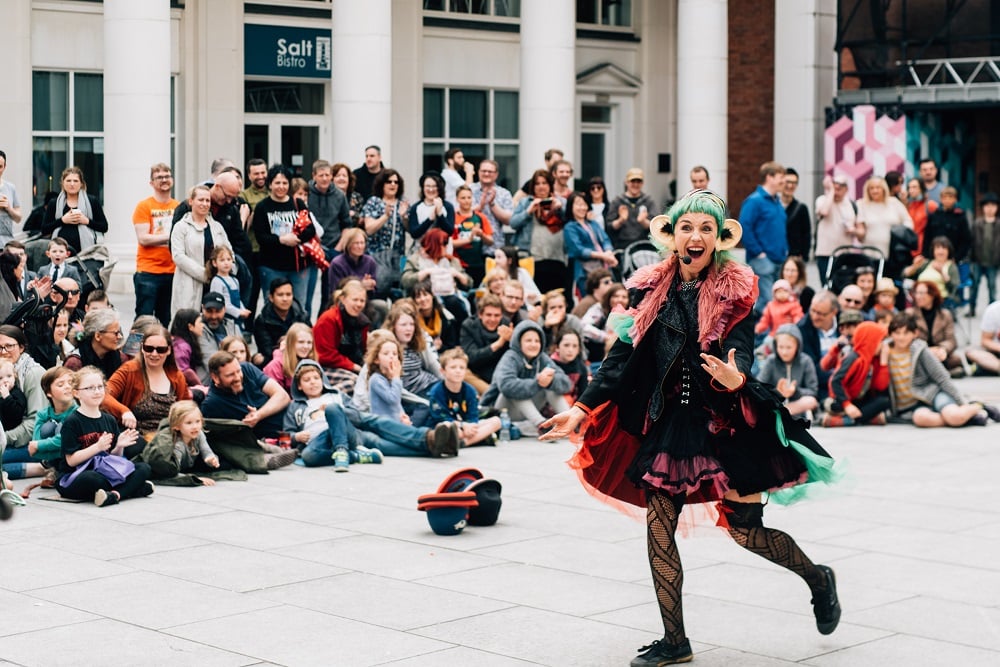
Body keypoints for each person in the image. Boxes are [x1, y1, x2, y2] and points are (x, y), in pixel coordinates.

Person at [538, 190, 841, 665]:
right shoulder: (647, 290)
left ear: (718, 239)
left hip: (726, 421)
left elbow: (741, 346)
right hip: (669, 424)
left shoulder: (733, 290)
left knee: (745, 531)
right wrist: (581, 409)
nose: (695, 236)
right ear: (673, 236)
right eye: (687, 228)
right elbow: (619, 360)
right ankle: (674, 640)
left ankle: (818, 578)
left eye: (705, 228)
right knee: (659, 525)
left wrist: (733, 376)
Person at [56, 366, 152, 507]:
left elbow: (114, 457)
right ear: (76, 393)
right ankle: (132, 490)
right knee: (94, 479)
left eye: (100, 387)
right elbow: (71, 461)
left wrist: (119, 445)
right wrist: (97, 447)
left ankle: (114, 495)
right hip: (75, 476)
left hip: (105, 471)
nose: (97, 392)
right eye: (90, 388)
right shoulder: (73, 421)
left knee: (144, 468)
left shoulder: (109, 419)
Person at [883, 313, 998, 428]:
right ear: (890, 333)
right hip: (916, 405)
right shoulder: (885, 350)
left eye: (906, 333)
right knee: (921, 419)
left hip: (933, 394)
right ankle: (967, 418)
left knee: (954, 416)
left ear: (915, 333)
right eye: (897, 333)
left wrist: (961, 402)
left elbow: (941, 377)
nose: (901, 337)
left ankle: (978, 406)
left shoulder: (920, 350)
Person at [283, 360, 383, 470]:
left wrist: (337, 411)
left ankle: (341, 452)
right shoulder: (294, 406)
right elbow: (286, 433)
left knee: (332, 408)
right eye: (307, 380)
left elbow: (356, 415)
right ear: (299, 386)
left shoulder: (336, 395)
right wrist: (296, 437)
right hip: (319, 442)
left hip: (345, 433)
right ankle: (355, 456)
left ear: (322, 380)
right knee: (308, 456)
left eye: (316, 378)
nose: (313, 382)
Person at [102, 325, 191, 442]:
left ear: (169, 350)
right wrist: (124, 411)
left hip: (169, 438)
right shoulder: (129, 370)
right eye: (149, 348)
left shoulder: (177, 376)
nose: (154, 354)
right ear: (142, 348)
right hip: (137, 437)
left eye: (160, 350)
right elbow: (103, 395)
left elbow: (187, 409)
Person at [483, 319, 570, 435]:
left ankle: (570, 422)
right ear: (519, 342)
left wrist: (550, 381)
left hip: (528, 410)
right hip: (502, 410)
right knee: (515, 388)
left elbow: (566, 383)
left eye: (537, 341)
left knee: (550, 382)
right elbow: (506, 385)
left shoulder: (542, 358)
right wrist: (537, 383)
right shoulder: (510, 357)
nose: (533, 344)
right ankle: (542, 425)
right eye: (528, 340)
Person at [252, 164, 315, 310]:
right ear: (270, 184)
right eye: (277, 183)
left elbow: (310, 229)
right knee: (272, 306)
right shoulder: (262, 206)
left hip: (298, 266)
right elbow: (260, 236)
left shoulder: (297, 204)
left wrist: (296, 238)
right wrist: (281, 240)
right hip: (271, 266)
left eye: (285, 183)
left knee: (299, 305)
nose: (281, 186)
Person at [5, 367, 77, 482]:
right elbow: (35, 442)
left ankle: (54, 470)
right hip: (45, 458)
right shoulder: (43, 414)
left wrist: (39, 446)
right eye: (60, 384)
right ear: (49, 393)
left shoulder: (77, 413)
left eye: (70, 383)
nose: (67, 387)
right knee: (48, 427)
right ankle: (48, 469)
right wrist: (39, 446)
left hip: (72, 458)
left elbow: (63, 440)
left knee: (60, 428)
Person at [171, 184, 232, 313]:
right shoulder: (181, 227)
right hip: (189, 283)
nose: (205, 204)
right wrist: (205, 274)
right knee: (189, 322)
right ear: (191, 201)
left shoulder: (217, 227)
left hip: (216, 283)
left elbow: (228, 250)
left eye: (207, 200)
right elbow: (178, 256)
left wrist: (224, 270)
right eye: (201, 200)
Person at [132, 162, 179, 326]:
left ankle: (162, 350)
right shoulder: (144, 206)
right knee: (143, 318)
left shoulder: (178, 207)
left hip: (172, 270)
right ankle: (132, 350)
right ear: (151, 183)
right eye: (159, 177)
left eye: (167, 176)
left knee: (166, 318)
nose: (164, 180)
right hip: (148, 272)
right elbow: (143, 238)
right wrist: (172, 236)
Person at [739, 161, 788, 315]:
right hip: (763, 262)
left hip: (778, 260)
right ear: (769, 177)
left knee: (775, 303)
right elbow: (744, 227)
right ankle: (760, 338)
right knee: (767, 304)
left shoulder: (776, 202)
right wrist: (759, 253)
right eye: (781, 177)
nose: (784, 181)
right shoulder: (754, 201)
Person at [428, 348, 502, 446]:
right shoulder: (437, 391)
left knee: (496, 421)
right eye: (453, 367)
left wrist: (470, 426)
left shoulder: (470, 390)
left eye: (462, 368)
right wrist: (462, 425)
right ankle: (479, 438)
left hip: (467, 427)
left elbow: (473, 416)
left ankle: (464, 443)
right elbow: (440, 417)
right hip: (448, 425)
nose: (458, 371)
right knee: (450, 429)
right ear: (443, 371)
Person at [509, 169, 567, 295]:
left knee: (557, 297)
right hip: (533, 259)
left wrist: (560, 209)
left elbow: (571, 222)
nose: (541, 187)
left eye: (544, 183)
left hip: (558, 258)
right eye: (537, 183)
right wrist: (528, 211)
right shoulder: (526, 202)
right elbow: (513, 223)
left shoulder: (561, 201)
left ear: (550, 185)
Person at [823, 320, 890, 427]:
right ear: (870, 341)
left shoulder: (873, 359)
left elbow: (880, 386)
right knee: (835, 406)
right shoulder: (853, 358)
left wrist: (883, 362)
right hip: (841, 400)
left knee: (884, 401)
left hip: (857, 400)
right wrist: (847, 405)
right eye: (880, 341)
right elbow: (835, 381)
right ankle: (847, 420)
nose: (882, 345)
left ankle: (852, 418)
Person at [400, 228, 471, 324]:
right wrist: (424, 273)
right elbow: (405, 282)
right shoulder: (416, 260)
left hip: (449, 296)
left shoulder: (451, 261)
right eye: (444, 243)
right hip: (425, 297)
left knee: (455, 303)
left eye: (447, 243)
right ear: (434, 244)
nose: (446, 247)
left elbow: (469, 283)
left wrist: (457, 275)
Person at [309, 159, 354, 313]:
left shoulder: (339, 196)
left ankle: (325, 318)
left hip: (334, 246)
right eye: (321, 175)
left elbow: (347, 224)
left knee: (329, 292)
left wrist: (338, 248)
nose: (325, 179)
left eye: (328, 175)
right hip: (312, 247)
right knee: (309, 291)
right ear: (314, 176)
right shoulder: (307, 194)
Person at [313, 278, 370, 392]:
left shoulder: (363, 322)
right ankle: (327, 398)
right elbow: (325, 355)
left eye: (362, 301)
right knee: (356, 381)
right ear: (343, 299)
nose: (359, 304)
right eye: (355, 300)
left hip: (350, 365)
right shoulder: (329, 319)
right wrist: (354, 367)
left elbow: (363, 350)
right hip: (325, 367)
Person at [361, 169, 408, 298]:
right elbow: (369, 229)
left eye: (396, 182)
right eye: (389, 181)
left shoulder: (403, 203)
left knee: (398, 293)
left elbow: (410, 230)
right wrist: (385, 216)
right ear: (382, 184)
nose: (393, 185)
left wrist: (404, 217)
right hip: (378, 254)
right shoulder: (374, 202)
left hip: (398, 256)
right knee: (379, 290)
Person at [41, 166, 109, 254]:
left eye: (75, 181)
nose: (72, 184)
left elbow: (104, 226)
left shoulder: (92, 201)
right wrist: (62, 220)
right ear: (63, 183)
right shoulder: (54, 203)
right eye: (68, 181)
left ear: (81, 183)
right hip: (60, 255)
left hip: (86, 254)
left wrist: (87, 221)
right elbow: (44, 229)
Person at [757, 324, 819, 418]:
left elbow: (813, 391)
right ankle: (780, 413)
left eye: (789, 347)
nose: (784, 352)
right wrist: (776, 392)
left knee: (811, 401)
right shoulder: (771, 361)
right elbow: (758, 387)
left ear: (797, 346)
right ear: (775, 346)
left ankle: (781, 413)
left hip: (796, 404)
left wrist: (795, 391)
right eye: (781, 347)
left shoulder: (806, 361)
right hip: (775, 402)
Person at [564, 191, 618, 298]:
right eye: (578, 204)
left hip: (603, 267)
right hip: (584, 271)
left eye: (584, 204)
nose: (582, 207)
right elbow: (578, 250)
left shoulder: (593, 223)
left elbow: (605, 240)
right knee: (590, 299)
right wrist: (603, 256)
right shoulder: (570, 227)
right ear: (571, 207)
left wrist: (608, 253)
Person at [905, 280, 963, 375]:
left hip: (939, 353)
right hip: (919, 352)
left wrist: (942, 349)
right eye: (916, 293)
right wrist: (927, 351)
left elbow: (951, 340)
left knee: (956, 360)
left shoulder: (945, 315)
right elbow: (907, 340)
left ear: (932, 295)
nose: (918, 296)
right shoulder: (910, 314)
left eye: (922, 293)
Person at [252, 278, 311, 367]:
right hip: (275, 361)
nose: (285, 299)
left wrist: (289, 340)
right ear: (271, 298)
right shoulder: (262, 321)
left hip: (302, 359)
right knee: (260, 360)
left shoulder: (302, 316)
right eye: (280, 295)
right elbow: (267, 351)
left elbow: (312, 342)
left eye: (288, 294)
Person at [815, 174, 861, 285]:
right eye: (835, 186)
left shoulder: (852, 205)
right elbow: (824, 211)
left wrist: (853, 230)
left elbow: (861, 233)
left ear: (846, 189)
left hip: (845, 254)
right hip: (825, 254)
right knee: (827, 286)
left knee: (844, 286)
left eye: (840, 187)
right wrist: (830, 191)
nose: (837, 190)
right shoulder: (823, 200)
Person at [856, 176, 913, 260]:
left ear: (884, 189)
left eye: (878, 187)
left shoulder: (894, 202)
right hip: (870, 253)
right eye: (871, 188)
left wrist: (900, 235)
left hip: (893, 253)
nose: (875, 191)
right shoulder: (861, 204)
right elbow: (860, 227)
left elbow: (908, 222)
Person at [63, 309, 125, 379]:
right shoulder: (75, 363)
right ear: (98, 336)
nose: (120, 337)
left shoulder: (120, 358)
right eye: (115, 333)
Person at [607, 167, 657, 251]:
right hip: (622, 246)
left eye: (639, 181)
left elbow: (655, 226)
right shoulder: (617, 201)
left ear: (642, 183)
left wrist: (643, 221)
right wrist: (621, 220)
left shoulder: (649, 201)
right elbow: (609, 226)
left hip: (644, 246)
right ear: (626, 182)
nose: (636, 184)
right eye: (633, 181)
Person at [452, 184, 492, 286]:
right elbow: (449, 243)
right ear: (457, 199)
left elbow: (491, 241)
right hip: (459, 265)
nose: (466, 200)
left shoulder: (480, 217)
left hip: (478, 264)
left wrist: (481, 234)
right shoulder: (452, 218)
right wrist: (469, 239)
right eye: (463, 198)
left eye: (469, 197)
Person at [470, 159, 514, 251]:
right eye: (484, 171)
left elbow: (509, 220)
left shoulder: (504, 193)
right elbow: (461, 213)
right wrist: (480, 206)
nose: (486, 174)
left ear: (496, 174)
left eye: (490, 171)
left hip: (494, 246)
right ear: (478, 172)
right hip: (470, 245)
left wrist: (492, 204)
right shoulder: (469, 190)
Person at [968, 192, 1000, 317]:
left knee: (992, 287)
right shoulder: (977, 223)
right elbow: (971, 242)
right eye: (987, 206)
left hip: (993, 261)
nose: (990, 209)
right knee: (974, 286)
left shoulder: (998, 224)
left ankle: (992, 313)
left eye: (993, 205)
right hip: (978, 261)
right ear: (983, 208)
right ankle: (972, 309)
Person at [904, 238, 961, 305]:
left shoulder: (951, 267)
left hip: (941, 301)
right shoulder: (926, 263)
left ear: (948, 251)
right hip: (920, 298)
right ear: (933, 251)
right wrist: (914, 266)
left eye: (944, 248)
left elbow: (955, 287)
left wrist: (942, 274)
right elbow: (905, 275)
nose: (940, 251)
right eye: (937, 248)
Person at [263, 322, 316, 392]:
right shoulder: (274, 366)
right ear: (290, 343)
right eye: (301, 342)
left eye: (309, 342)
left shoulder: (310, 361)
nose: (306, 346)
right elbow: (275, 396)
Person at [207, 246, 250, 331]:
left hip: (237, 319)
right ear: (215, 263)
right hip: (225, 320)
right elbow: (222, 304)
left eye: (228, 259)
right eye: (222, 260)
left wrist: (243, 309)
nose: (226, 263)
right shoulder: (217, 281)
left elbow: (238, 299)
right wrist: (238, 312)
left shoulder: (235, 280)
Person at [923, 187, 970, 262]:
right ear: (941, 199)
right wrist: (927, 256)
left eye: (950, 197)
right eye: (945, 197)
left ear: (955, 199)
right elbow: (927, 238)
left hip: (953, 258)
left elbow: (965, 240)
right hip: (934, 258)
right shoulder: (934, 216)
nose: (947, 200)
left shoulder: (960, 217)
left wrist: (956, 258)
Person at [412, 280, 460, 352]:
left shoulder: (446, 317)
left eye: (425, 294)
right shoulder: (412, 320)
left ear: (432, 295)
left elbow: (452, 346)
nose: (422, 299)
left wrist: (441, 347)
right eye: (418, 296)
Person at [550, 329, 589, 405]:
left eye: (575, 346)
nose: (570, 350)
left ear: (578, 350)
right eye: (566, 345)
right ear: (557, 347)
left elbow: (583, 394)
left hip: (571, 407)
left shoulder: (581, 367)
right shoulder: (550, 364)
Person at [781, 167, 812, 260]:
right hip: (774, 257)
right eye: (788, 182)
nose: (790, 186)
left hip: (794, 258)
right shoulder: (772, 206)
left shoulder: (802, 208)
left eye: (794, 183)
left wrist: (803, 256)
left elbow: (806, 235)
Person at [169, 310, 205, 388]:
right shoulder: (182, 347)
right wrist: (201, 387)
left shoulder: (183, 343)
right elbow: (184, 371)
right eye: (200, 322)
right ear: (190, 326)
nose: (203, 325)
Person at [966, 298, 1000, 375]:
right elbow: (985, 340)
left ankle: (990, 368)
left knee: (981, 369)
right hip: (996, 352)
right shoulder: (993, 310)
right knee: (971, 352)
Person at [905, 177, 937, 257]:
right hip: (909, 247)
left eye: (914, 187)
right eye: (909, 188)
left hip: (925, 248)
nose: (911, 190)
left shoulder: (930, 205)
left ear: (921, 188)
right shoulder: (909, 206)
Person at [0, 150, 23, 246]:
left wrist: (9, 208)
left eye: (0, 166)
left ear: (5, 167)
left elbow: (18, 218)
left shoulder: (10, 187)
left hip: (7, 243)